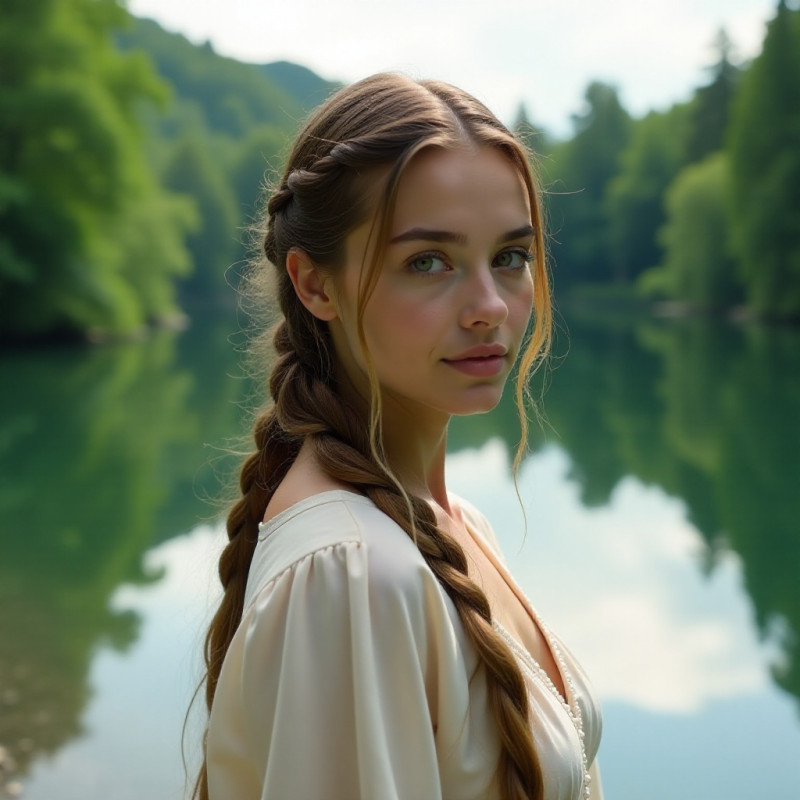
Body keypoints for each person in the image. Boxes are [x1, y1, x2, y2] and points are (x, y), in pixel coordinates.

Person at [194, 73, 603, 800]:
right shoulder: (352, 574)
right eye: (429, 262)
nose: (489, 307)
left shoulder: (446, 524)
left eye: (510, 256)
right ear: (316, 284)